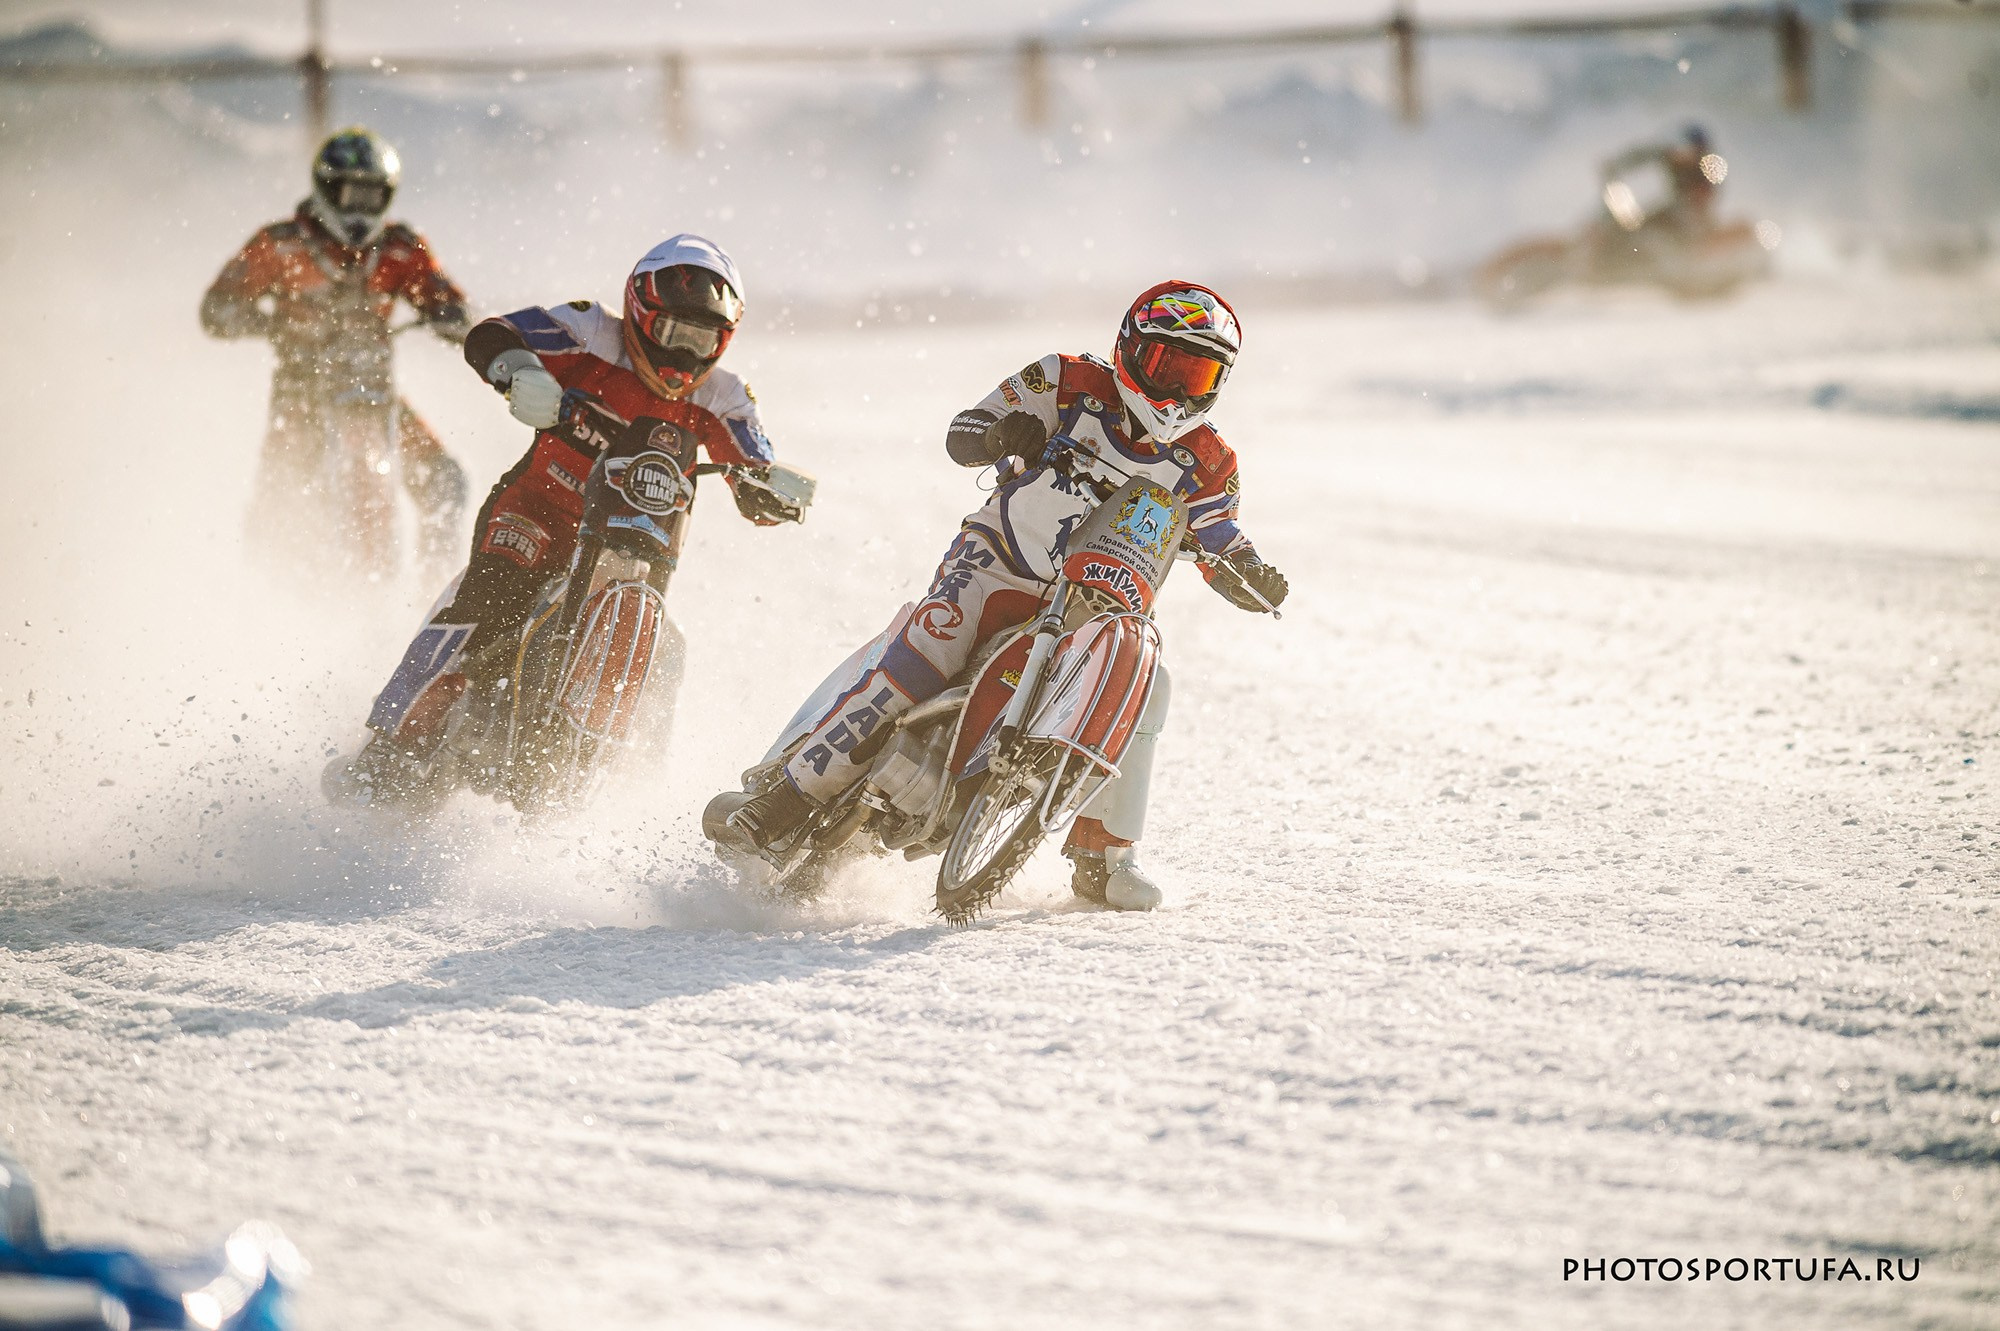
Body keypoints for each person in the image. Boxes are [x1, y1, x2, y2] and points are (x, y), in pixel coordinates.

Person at [709, 281, 1288, 911]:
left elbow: (1220, 535)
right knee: (933, 643)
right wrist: (1002, 435)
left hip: (1097, 605)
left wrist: (1248, 571)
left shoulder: (1209, 462)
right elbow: (966, 430)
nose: (1177, 393)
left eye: (1197, 375)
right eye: (1166, 367)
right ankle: (786, 798)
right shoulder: (1066, 380)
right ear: (1129, 349)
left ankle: (1106, 856)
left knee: (1154, 684)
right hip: (998, 564)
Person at [330, 233, 797, 796]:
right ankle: (391, 747)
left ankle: (631, 793)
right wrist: (519, 372)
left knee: (666, 653)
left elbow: (757, 457)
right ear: (643, 314)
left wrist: (770, 490)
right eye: (674, 334)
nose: (683, 357)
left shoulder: (724, 396)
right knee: (488, 595)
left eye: (702, 341)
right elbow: (493, 334)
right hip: (535, 514)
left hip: (639, 550)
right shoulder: (588, 330)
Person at [201, 126, 473, 569]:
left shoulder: (399, 248)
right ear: (326, 188)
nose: (359, 209)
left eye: (371, 197)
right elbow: (216, 309)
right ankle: (276, 596)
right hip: (301, 395)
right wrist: (271, 326)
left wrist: (452, 318)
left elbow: (450, 300)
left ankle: (434, 596)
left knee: (445, 482)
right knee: (282, 505)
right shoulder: (282, 244)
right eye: (350, 194)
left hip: (376, 390)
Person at [1599, 124, 1723, 237]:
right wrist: (1615, 164)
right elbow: (1642, 154)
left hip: (1683, 218)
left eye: (1694, 151)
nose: (1684, 155)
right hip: (1660, 208)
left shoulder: (1707, 169)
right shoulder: (1668, 154)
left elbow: (1705, 199)